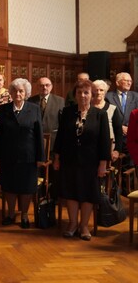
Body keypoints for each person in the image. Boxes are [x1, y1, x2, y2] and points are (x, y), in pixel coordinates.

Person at [54, 79, 110, 241]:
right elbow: (60, 137)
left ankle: (84, 226)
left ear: (92, 95)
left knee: (88, 193)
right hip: (69, 159)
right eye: (79, 92)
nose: (83, 95)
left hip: (91, 162)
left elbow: (104, 141)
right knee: (70, 192)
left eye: (86, 92)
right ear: (75, 95)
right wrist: (57, 158)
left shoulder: (100, 114)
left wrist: (103, 164)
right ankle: (72, 224)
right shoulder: (67, 112)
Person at [0, 78, 44, 228]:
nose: (18, 93)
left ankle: (24, 215)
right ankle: (10, 214)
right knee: (9, 186)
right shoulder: (4, 109)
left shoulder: (34, 109)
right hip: (8, 155)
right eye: (15, 90)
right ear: (10, 92)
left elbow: (39, 134)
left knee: (26, 187)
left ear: (26, 93)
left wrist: (40, 157)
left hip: (29, 156)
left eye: (21, 91)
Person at [92, 79, 123, 163]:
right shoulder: (87, 107)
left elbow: (118, 131)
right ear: (92, 91)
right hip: (90, 148)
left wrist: (117, 150)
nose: (98, 92)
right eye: (96, 90)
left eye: (101, 90)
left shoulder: (112, 109)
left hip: (109, 149)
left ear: (105, 92)